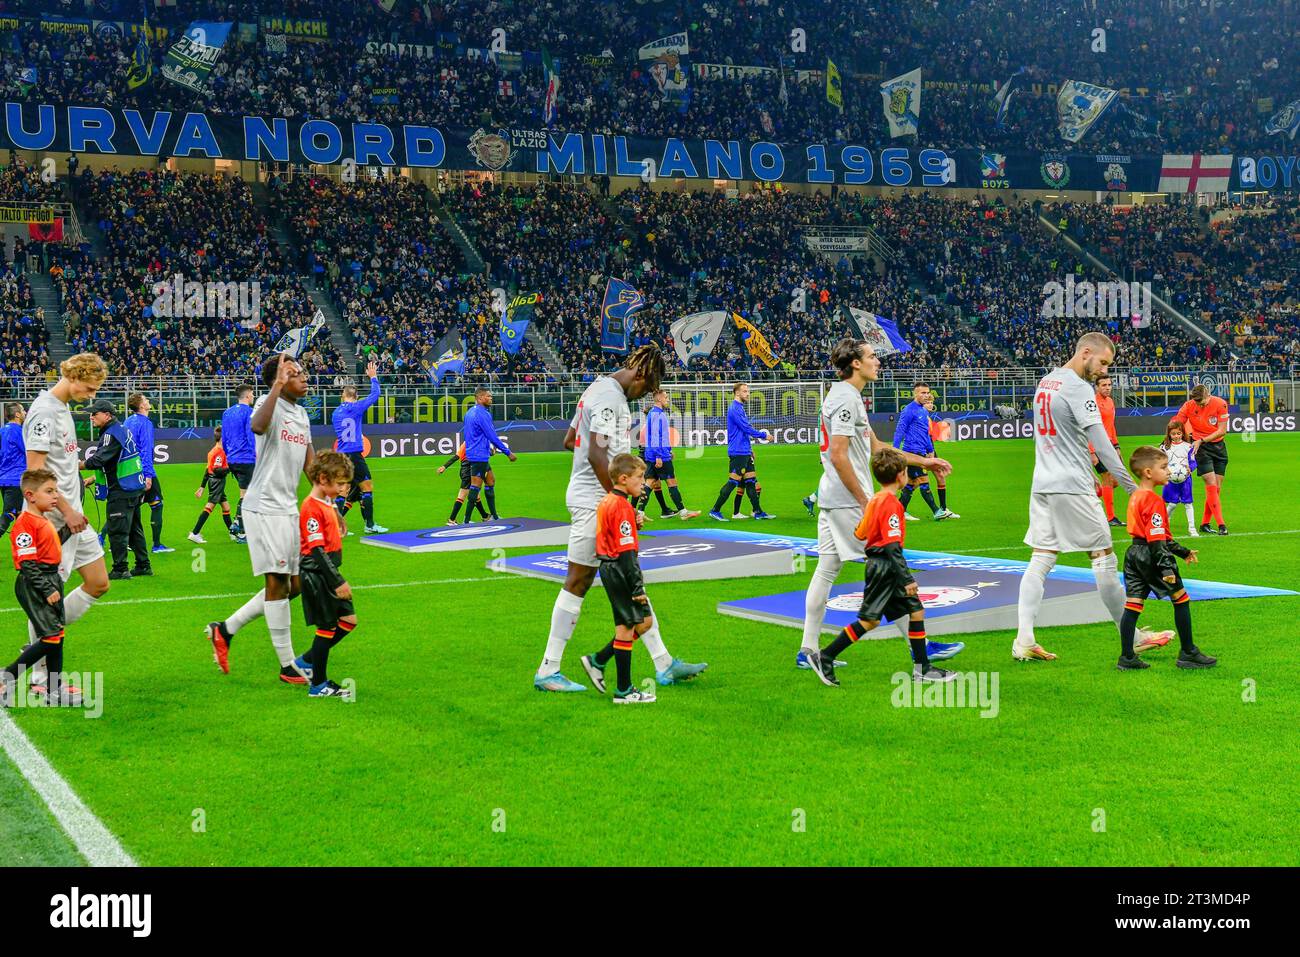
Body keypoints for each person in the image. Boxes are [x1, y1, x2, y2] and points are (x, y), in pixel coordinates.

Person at [534, 344, 707, 692]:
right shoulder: (610, 398)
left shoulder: (597, 389)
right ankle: (548, 670)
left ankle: (663, 663)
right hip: (595, 503)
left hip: (598, 499)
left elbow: (572, 440)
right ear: (640, 375)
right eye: (648, 386)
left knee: (629, 579)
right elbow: (597, 454)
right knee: (578, 580)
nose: (645, 394)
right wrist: (620, 501)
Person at [798, 339, 961, 671]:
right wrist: (864, 499)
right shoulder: (845, 398)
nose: (877, 362)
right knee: (888, 569)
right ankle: (922, 651)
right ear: (855, 363)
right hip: (847, 501)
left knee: (827, 569)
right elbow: (839, 454)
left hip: (831, 497)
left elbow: (878, 447)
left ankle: (808, 649)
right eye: (872, 356)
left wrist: (925, 463)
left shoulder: (845, 395)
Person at [1013, 333, 1172, 662]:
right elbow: (1102, 446)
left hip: (1041, 483)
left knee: (1042, 558)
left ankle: (1024, 639)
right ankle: (1132, 636)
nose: (1103, 370)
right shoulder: (1077, 388)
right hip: (1072, 484)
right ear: (1085, 352)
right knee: (1103, 557)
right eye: (1102, 362)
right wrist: (1133, 489)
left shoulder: (1046, 382)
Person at [205, 354, 315, 685]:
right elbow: (257, 426)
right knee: (278, 582)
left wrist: (326, 503)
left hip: (288, 507)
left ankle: (225, 629)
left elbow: (310, 465)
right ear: (279, 380)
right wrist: (278, 385)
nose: (305, 377)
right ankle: (287, 666)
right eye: (295, 374)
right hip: (264, 506)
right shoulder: (269, 407)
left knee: (294, 585)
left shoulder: (302, 414)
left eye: (303, 372)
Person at [807, 447, 957, 686]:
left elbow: (859, 533)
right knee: (869, 621)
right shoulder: (892, 505)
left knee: (916, 611)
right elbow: (891, 546)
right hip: (885, 568)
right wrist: (907, 578)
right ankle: (825, 656)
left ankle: (922, 668)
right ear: (901, 476)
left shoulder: (875, 500)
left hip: (880, 564)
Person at [21, 353, 111, 696]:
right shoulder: (44, 412)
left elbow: (59, 463)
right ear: (73, 377)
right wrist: (67, 509)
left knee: (99, 582)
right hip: (56, 520)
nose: (91, 396)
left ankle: (35, 650)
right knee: (48, 599)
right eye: (89, 389)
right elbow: (34, 475)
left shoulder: (63, 410)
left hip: (74, 516)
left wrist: (77, 481)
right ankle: (40, 679)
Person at [1118, 446, 1216, 671]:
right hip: (1153, 555)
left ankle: (1127, 657)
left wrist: (1183, 551)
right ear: (1148, 473)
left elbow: (1154, 533)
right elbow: (1156, 540)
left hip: (1133, 554)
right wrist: (1167, 569)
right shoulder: (1154, 501)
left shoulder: (1136, 497)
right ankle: (1188, 652)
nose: (1169, 470)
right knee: (1181, 600)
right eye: (1163, 467)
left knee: (1133, 605)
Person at [577, 453, 657, 704]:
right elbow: (627, 552)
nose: (643, 483)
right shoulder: (621, 506)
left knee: (643, 623)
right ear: (624, 479)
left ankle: (598, 660)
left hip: (610, 568)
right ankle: (624, 690)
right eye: (640, 477)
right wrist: (637, 587)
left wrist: (634, 521)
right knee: (626, 628)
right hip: (620, 570)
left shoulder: (610, 501)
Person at [0, 468, 81, 707]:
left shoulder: (41, 520)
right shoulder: (25, 524)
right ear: (30, 495)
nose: (55, 496)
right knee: (51, 636)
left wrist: (69, 530)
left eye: (55, 490)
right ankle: (8, 675)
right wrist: (46, 589)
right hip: (35, 583)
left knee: (58, 635)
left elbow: (49, 547)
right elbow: (27, 564)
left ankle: (53, 690)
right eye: (49, 491)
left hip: (50, 578)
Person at [291, 450, 357, 699]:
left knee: (349, 621)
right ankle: (318, 685)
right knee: (326, 629)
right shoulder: (309, 507)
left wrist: (338, 515)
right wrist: (337, 581)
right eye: (340, 483)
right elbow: (316, 550)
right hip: (317, 574)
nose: (344, 489)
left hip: (328, 571)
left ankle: (307, 661)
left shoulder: (327, 501)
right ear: (321, 479)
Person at [83, 398, 150, 580]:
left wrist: (78, 465)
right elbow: (114, 462)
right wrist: (93, 479)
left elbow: (99, 460)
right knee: (135, 528)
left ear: (107, 415)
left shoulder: (110, 434)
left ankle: (120, 569)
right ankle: (143, 565)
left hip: (121, 488)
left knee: (117, 529)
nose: (91, 417)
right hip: (133, 485)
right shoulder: (119, 429)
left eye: (94, 414)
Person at [331, 359, 387, 534]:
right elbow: (375, 394)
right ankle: (370, 525)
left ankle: (337, 528)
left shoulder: (335, 412)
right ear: (355, 397)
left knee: (342, 491)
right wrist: (373, 377)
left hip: (340, 456)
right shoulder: (356, 407)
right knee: (367, 487)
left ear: (342, 396)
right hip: (354, 454)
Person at [708, 382, 774, 521]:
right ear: (737, 393)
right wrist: (764, 435)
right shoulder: (734, 408)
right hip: (737, 451)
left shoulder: (740, 408)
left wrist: (750, 450)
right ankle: (715, 510)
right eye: (744, 391)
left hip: (744, 451)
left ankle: (757, 511)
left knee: (750, 481)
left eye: (748, 391)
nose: (748, 393)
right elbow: (746, 428)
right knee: (733, 482)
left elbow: (743, 432)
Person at [1171, 384, 1230, 535]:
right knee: (1210, 483)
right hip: (1200, 448)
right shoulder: (1188, 406)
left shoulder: (1221, 404)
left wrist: (1202, 440)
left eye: (1201, 402)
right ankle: (1221, 525)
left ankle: (1204, 523)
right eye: (1196, 402)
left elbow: (1222, 430)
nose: (1199, 405)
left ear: (1208, 395)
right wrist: (1171, 441)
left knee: (1216, 489)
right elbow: (1177, 423)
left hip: (1218, 447)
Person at [894, 382, 954, 521]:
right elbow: (900, 430)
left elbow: (926, 434)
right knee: (923, 481)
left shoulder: (923, 411)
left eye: (928, 392)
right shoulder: (909, 410)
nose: (927, 395)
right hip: (911, 452)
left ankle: (899, 511)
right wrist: (895, 452)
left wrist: (930, 451)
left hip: (922, 452)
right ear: (915, 394)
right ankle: (937, 511)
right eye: (923, 393)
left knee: (910, 485)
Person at [639, 389, 700, 522]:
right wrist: (660, 456)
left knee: (649, 483)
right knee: (672, 482)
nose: (668, 399)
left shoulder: (656, 413)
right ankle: (683, 512)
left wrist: (668, 450)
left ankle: (639, 512)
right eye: (666, 397)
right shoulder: (656, 414)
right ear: (659, 399)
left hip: (654, 454)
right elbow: (655, 437)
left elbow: (662, 436)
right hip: (658, 455)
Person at [125, 393, 172, 554]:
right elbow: (146, 450)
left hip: (129, 470)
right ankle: (157, 545)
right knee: (157, 505)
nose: (148, 401)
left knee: (127, 506)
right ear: (141, 406)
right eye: (145, 400)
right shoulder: (145, 423)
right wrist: (148, 475)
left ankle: (103, 538)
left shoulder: (128, 421)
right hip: (142, 470)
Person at [461, 387, 516, 523]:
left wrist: (488, 449)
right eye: (488, 396)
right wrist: (508, 452)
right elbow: (492, 436)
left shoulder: (469, 412)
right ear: (480, 398)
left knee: (490, 481)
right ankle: (466, 521)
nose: (491, 398)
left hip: (476, 452)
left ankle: (494, 517)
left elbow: (475, 435)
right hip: (478, 455)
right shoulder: (483, 414)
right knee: (475, 486)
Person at [221, 384, 256, 543]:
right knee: (247, 495)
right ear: (247, 396)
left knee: (247, 493)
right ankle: (239, 526)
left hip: (232, 459)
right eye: (253, 394)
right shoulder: (249, 412)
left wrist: (228, 456)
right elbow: (251, 437)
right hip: (246, 458)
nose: (254, 397)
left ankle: (239, 524)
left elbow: (225, 438)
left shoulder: (227, 412)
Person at [188, 426, 233, 544]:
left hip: (215, 481)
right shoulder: (219, 452)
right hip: (217, 482)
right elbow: (216, 469)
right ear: (223, 438)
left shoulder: (213, 450)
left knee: (226, 507)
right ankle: (195, 533)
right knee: (210, 507)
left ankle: (233, 533)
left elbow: (208, 469)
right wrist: (229, 468)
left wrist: (202, 487)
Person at [1090, 375, 1125, 528]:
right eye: (1103, 385)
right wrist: (1092, 451)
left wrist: (1116, 446)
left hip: (1109, 444)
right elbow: (1088, 427)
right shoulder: (1092, 403)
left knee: (1116, 481)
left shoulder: (1110, 402)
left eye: (1109, 384)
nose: (1107, 387)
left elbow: (1111, 425)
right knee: (1108, 477)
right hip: (1097, 445)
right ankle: (1111, 518)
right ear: (1097, 387)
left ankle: (1095, 491)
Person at [1159, 421, 1199, 538]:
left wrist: (1189, 468)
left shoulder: (1188, 446)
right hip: (1171, 479)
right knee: (1172, 504)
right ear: (1169, 435)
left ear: (1182, 433)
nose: (1176, 436)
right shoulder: (1164, 447)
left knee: (1188, 503)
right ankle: (1164, 523)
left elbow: (1193, 462)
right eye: (1173, 434)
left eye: (1178, 433)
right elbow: (1160, 462)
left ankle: (1192, 528)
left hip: (1186, 480)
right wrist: (1165, 469)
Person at [922, 396, 959, 518]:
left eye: (932, 402)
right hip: (924, 452)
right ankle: (902, 509)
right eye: (928, 402)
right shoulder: (923, 418)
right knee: (917, 481)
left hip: (930, 450)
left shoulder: (927, 418)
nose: (931, 404)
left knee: (940, 476)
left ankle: (943, 509)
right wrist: (929, 454)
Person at [437, 442, 489, 525]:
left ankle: (485, 516)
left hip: (465, 471)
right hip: (468, 471)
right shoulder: (468, 443)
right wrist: (444, 466)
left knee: (475, 494)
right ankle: (452, 519)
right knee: (463, 495)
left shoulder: (468, 442)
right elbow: (456, 457)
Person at [0, 402, 25, 537]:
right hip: (16, 479)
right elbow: (29, 452)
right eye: (23, 410)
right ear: (17, 414)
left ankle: (27, 550)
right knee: (9, 514)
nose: (25, 412)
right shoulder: (19, 432)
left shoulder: (2, 431)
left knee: (21, 515)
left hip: (4, 479)